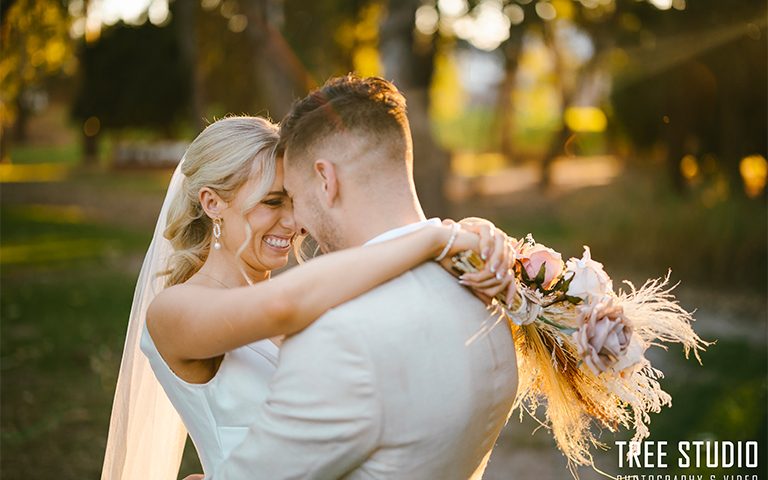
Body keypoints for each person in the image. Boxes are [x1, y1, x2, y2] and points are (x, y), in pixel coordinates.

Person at [101, 114, 516, 480]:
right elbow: (283, 308)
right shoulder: (173, 310)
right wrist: (431, 237)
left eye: (295, 202)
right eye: (271, 202)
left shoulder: (304, 294)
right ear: (212, 202)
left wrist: (467, 241)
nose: (294, 221)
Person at [206, 76, 519, 479]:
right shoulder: (485, 293)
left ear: (326, 180)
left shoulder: (340, 338)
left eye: (295, 199)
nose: (297, 223)